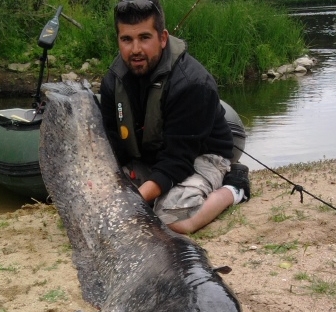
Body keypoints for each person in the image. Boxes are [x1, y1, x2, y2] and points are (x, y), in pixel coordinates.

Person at [100, 0, 250, 234]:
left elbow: (177, 161)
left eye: (144, 37)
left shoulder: (192, 83)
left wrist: (131, 203)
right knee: (101, 203)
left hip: (200, 156)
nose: (135, 49)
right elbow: (113, 145)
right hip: (151, 157)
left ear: (163, 38)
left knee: (171, 220)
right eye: (126, 40)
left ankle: (234, 188)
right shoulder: (112, 82)